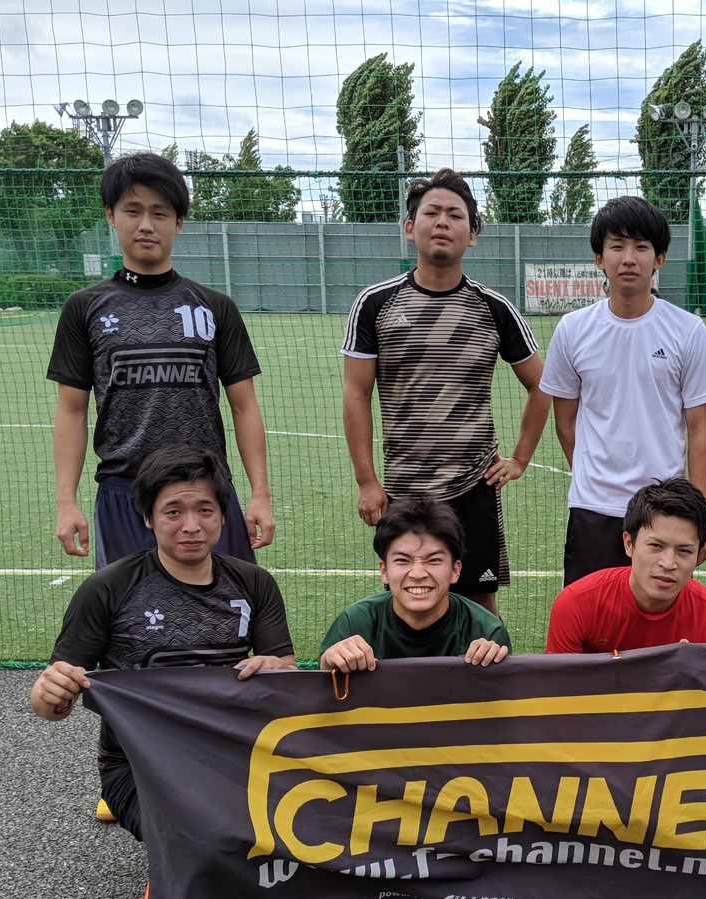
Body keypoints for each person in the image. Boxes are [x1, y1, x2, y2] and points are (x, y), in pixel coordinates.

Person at [28, 444, 296, 839]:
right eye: (173, 512)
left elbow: (287, 677)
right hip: (138, 766)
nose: (191, 526)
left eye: (205, 510)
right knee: (199, 836)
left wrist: (277, 670)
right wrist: (48, 692)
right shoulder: (109, 588)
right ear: (148, 518)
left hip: (232, 756)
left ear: (223, 515)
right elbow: (50, 704)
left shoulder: (254, 583)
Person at [48, 152, 274, 568]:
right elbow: (71, 410)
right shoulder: (84, 308)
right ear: (111, 216)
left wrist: (260, 494)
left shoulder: (214, 306)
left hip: (204, 493)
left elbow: (244, 405)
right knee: (129, 608)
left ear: (179, 222)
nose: (146, 224)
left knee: (225, 602)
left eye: (160, 212)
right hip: (124, 493)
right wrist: (67, 501)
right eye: (133, 210)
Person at [342, 169, 547, 616]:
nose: (442, 222)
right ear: (409, 228)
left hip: (473, 484)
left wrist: (520, 458)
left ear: (472, 235)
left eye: (455, 215)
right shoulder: (375, 304)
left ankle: (489, 666)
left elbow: (542, 384)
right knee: (408, 595)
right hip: (403, 486)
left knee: (480, 599)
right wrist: (367, 481)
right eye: (431, 212)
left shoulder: (493, 307)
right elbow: (356, 394)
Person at [539, 196, 706, 587]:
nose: (628, 258)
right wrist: (593, 475)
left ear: (659, 259)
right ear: (599, 258)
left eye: (641, 247)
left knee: (657, 618)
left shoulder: (688, 331)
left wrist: (697, 515)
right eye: (617, 246)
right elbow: (565, 422)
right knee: (589, 614)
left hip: (663, 512)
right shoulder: (573, 330)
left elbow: (699, 431)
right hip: (592, 508)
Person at [546, 478, 706, 654]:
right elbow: (560, 680)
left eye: (684, 551)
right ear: (629, 544)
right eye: (656, 546)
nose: (668, 563)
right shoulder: (576, 604)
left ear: (700, 555)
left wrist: (692, 671)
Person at [319, 497, 511, 673]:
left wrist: (494, 668)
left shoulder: (486, 632)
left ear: (455, 570)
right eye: (403, 560)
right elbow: (323, 693)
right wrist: (327, 665)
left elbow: (504, 697)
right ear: (384, 571)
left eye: (433, 560)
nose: (418, 574)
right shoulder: (355, 623)